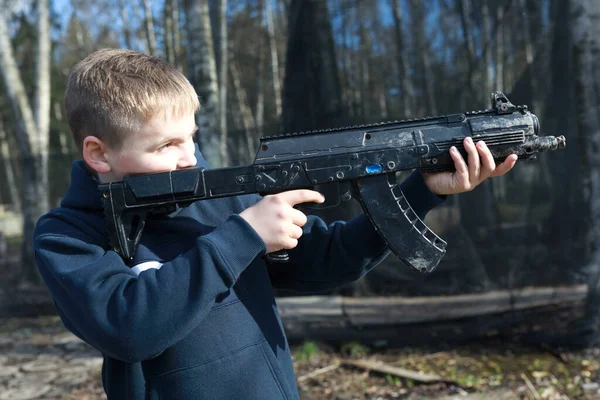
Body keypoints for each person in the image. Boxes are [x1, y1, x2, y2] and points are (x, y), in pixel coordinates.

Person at [33, 49, 517, 399]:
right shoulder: (67, 236)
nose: (189, 159)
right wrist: (243, 235)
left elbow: (331, 260)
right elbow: (129, 327)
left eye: (191, 139)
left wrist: (423, 189)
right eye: (165, 146)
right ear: (99, 153)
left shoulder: (216, 202)